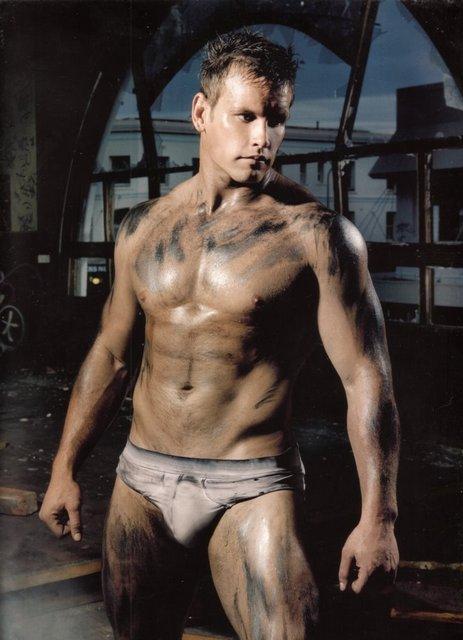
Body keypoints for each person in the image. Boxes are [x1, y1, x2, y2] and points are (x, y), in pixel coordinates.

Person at [39, 30, 400, 640]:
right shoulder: (143, 228)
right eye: (246, 116)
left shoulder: (316, 237)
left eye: (276, 119)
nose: (263, 138)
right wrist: (63, 468)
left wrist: (380, 517)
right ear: (201, 113)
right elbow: (112, 353)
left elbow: (366, 376)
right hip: (142, 481)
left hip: (250, 485)